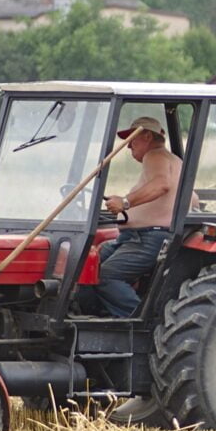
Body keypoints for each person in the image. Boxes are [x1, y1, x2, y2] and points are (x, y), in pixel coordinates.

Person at [78, 113, 182, 317]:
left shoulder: (156, 155)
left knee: (106, 276)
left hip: (147, 238)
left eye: (131, 139)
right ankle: (94, 315)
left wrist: (125, 202)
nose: (127, 146)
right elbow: (190, 198)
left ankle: (136, 325)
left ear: (146, 137)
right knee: (86, 266)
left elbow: (161, 184)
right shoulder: (175, 161)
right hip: (135, 237)